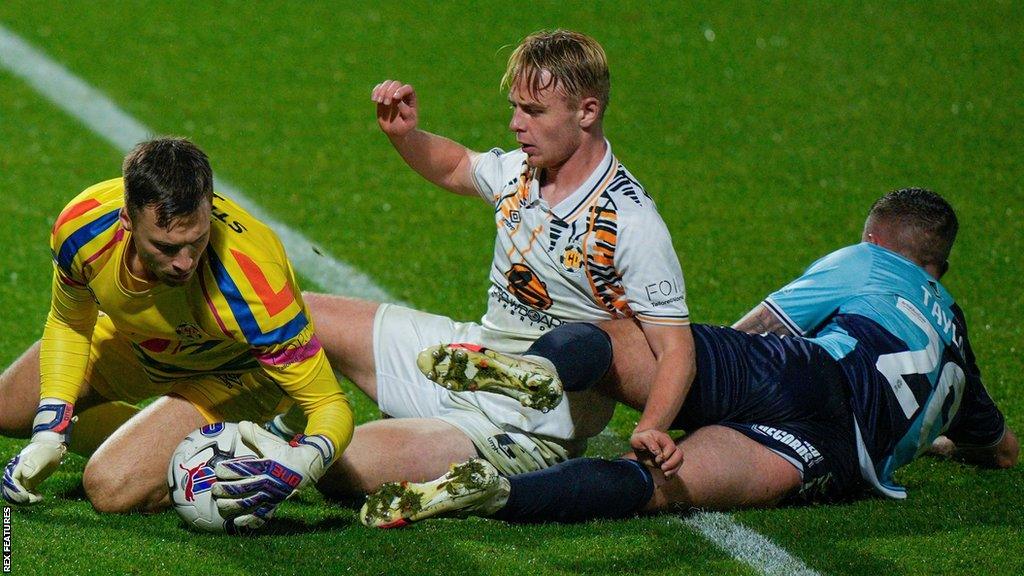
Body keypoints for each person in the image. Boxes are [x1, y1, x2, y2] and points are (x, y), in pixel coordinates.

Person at [359, 188, 1018, 527]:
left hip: (800, 373)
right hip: (833, 460)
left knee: (616, 331)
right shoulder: (957, 340)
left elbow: (763, 324)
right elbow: (1002, 451)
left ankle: (540, 371)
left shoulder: (869, 260)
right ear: (943, 265)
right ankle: (497, 495)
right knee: (655, 487)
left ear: (876, 236)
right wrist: (938, 444)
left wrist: (680, 394)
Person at [295, 29, 695, 497]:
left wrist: (652, 426)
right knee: (290, 313)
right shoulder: (522, 171)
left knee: (341, 463)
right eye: (515, 106)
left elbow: (676, 351)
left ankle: (452, 459)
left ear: (587, 111)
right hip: (466, 356)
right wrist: (406, 135)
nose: (515, 124)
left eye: (534, 111)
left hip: (526, 426)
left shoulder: (630, 221)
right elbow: (456, 165)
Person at [0, 138, 354, 529]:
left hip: (231, 372)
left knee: (109, 486)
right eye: (166, 247)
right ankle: (145, 434)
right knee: (6, 410)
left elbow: (330, 405)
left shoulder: (254, 285)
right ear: (127, 220)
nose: (185, 262)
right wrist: (50, 431)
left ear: (210, 205)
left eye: (197, 240)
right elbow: (71, 322)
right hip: (139, 341)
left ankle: (257, 435)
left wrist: (309, 457)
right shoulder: (83, 226)